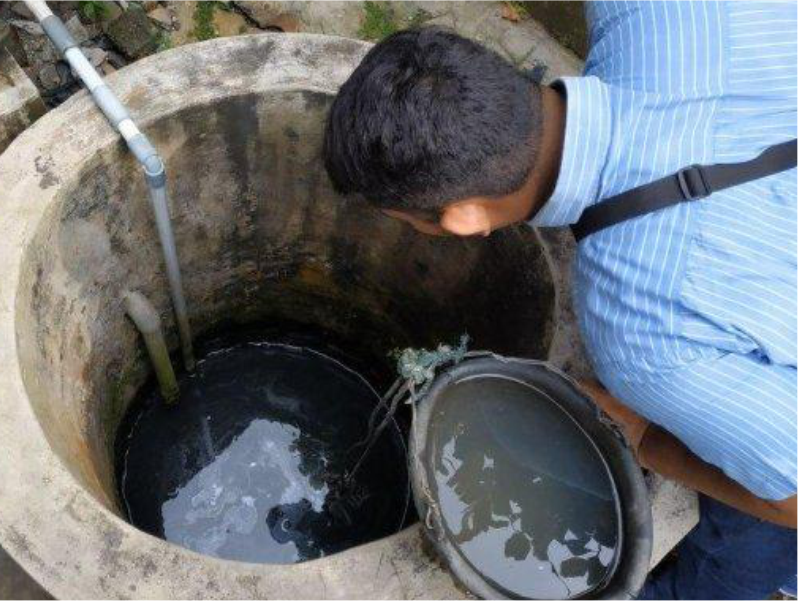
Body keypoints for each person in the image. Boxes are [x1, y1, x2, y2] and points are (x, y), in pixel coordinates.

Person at [323, 2, 797, 599]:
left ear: (465, 218)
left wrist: (645, 437)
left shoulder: (647, 336)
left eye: (405, 221)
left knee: (741, 543)